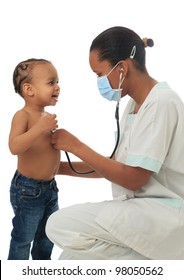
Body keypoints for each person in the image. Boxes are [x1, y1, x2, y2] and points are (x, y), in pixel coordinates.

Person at [46, 26, 184, 260]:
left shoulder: (162, 103)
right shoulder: (135, 105)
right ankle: (140, 257)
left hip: (164, 218)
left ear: (122, 68)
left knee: (57, 224)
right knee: (68, 260)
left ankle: (149, 259)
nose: (99, 82)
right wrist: (60, 168)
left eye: (99, 74)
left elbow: (133, 177)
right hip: (138, 214)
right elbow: (115, 165)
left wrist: (75, 145)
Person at [8, 58, 60, 260]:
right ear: (29, 90)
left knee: (47, 238)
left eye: (57, 82)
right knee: (23, 238)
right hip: (27, 190)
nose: (57, 87)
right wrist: (40, 128)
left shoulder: (45, 116)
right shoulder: (23, 116)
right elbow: (14, 146)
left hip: (50, 189)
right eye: (51, 82)